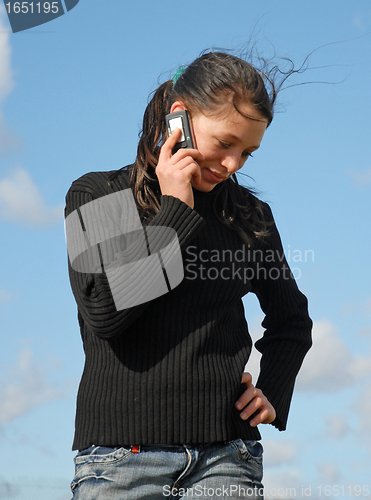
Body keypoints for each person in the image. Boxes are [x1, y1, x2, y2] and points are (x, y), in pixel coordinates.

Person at [65, 51, 313, 499]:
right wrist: (175, 213)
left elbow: (292, 320)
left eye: (247, 151)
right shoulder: (96, 194)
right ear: (179, 119)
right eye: (224, 143)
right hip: (120, 462)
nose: (234, 163)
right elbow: (104, 312)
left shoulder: (250, 215)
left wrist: (273, 390)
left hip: (227, 459)